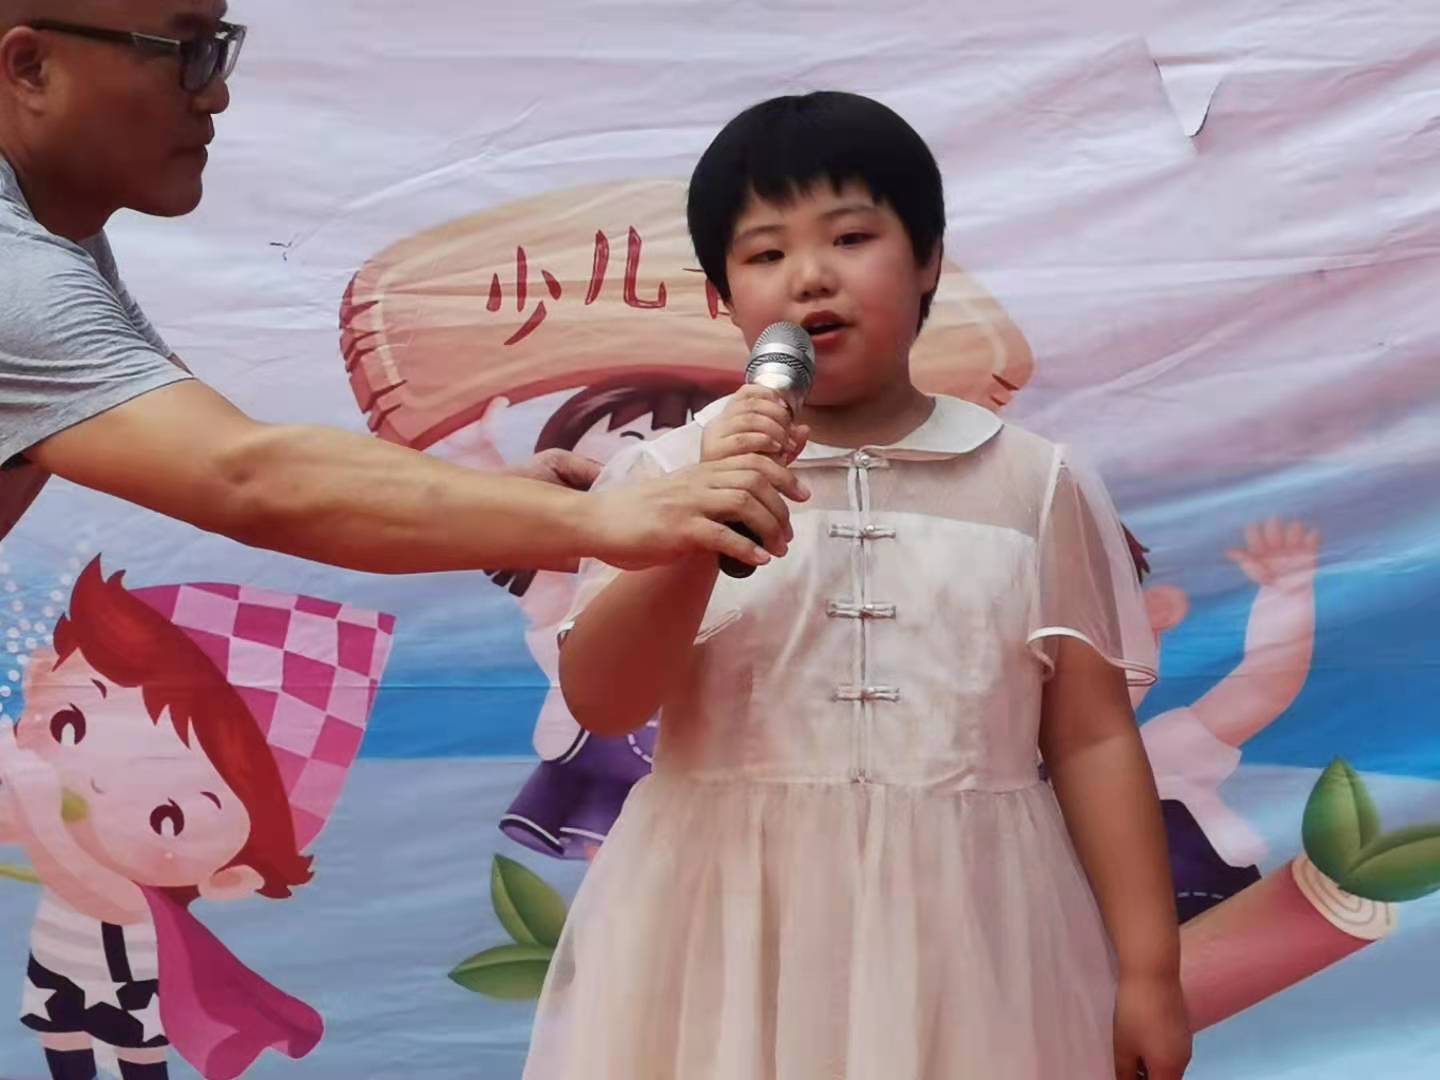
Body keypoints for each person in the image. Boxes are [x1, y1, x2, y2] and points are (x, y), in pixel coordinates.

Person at [524, 91, 1193, 1079]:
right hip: (720, 931)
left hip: (974, 931)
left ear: (927, 262)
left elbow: (1092, 738)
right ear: (723, 299)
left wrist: (1150, 971)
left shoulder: (1035, 482)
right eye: (764, 253)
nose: (810, 276)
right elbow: (605, 699)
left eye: (850, 236)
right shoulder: (661, 476)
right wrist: (702, 519)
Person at [0, 0, 801, 577]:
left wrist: (504, 504)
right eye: (184, 50)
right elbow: (247, 477)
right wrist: (600, 518)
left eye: (218, 47)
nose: (215, 92)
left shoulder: (62, 237)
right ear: (31, 67)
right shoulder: (16, 269)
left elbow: (221, 445)